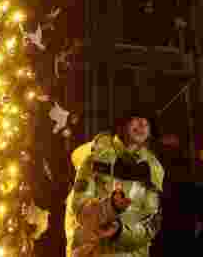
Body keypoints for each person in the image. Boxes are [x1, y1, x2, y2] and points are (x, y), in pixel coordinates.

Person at [64, 108, 164, 257]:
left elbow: (150, 225)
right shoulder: (95, 158)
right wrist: (110, 207)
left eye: (148, 123)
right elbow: (79, 208)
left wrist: (119, 232)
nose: (143, 124)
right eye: (136, 118)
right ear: (122, 125)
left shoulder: (153, 169)